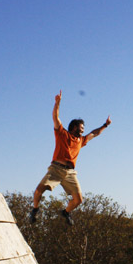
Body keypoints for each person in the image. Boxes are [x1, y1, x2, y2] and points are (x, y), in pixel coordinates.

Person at [30, 90, 111, 226]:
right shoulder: (62, 134)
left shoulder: (81, 140)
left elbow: (94, 133)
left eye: (84, 128)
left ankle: (65, 212)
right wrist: (57, 103)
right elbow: (56, 118)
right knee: (38, 191)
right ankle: (34, 209)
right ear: (74, 127)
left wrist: (105, 125)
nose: (83, 130)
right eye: (81, 128)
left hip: (70, 173)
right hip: (56, 169)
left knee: (78, 200)